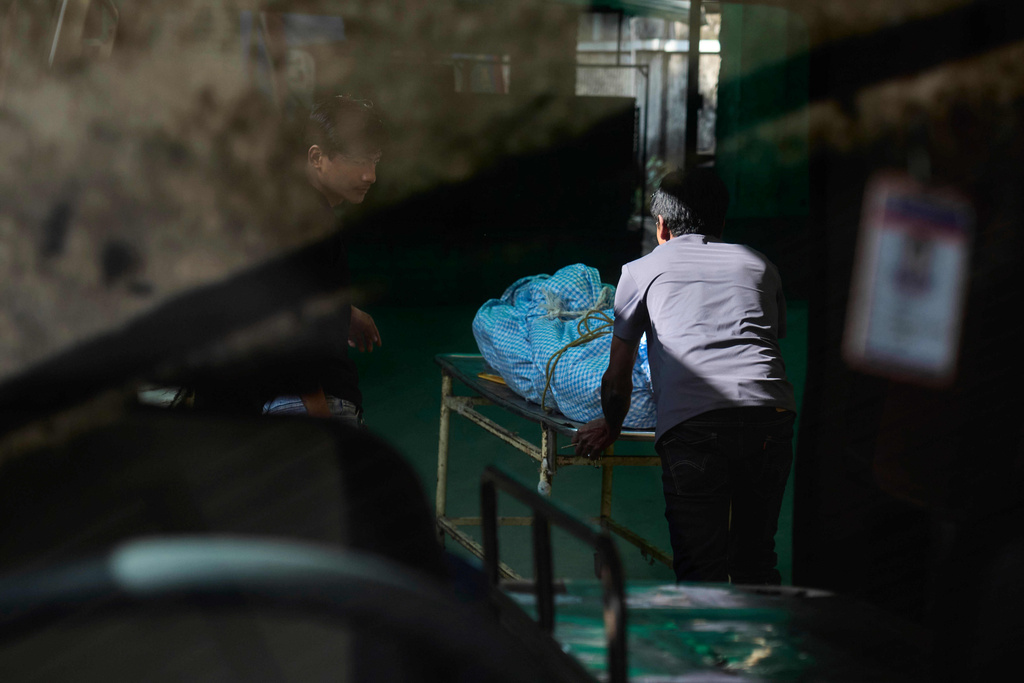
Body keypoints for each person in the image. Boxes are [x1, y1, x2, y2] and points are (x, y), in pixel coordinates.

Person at [573, 168, 796, 584]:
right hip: (772, 415)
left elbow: (616, 377)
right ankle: (764, 647)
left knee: (700, 570)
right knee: (756, 560)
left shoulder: (641, 271)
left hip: (695, 425)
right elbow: (766, 340)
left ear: (661, 226)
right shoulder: (760, 265)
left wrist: (612, 426)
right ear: (723, 222)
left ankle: (704, 651)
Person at [190, 96, 385, 428]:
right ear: (317, 157)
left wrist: (343, 311)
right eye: (360, 162)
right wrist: (321, 419)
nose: (371, 175)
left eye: (376, 161)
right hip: (301, 402)